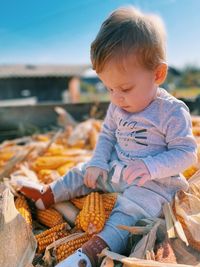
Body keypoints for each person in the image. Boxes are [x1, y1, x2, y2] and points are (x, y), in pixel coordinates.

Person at [19, 6, 197, 267]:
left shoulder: (171, 111)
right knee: (82, 171)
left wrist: (151, 166)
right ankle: (48, 194)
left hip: (153, 184)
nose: (115, 97)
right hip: (117, 169)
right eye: (109, 88)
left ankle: (96, 247)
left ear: (157, 74)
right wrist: (99, 162)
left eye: (124, 88)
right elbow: (106, 136)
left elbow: (187, 154)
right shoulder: (118, 106)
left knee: (129, 210)